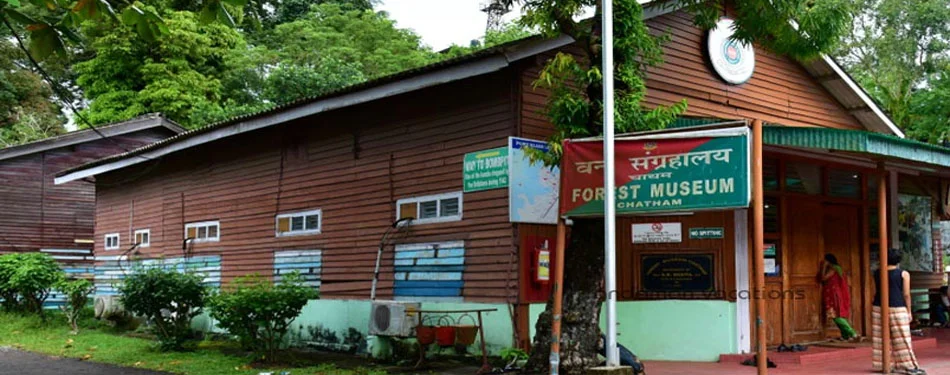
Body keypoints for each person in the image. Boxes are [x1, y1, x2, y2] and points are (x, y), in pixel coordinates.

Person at [872, 249, 926, 375]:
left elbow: (876, 290)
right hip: (897, 306)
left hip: (878, 306)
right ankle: (908, 365)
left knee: (880, 336)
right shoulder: (903, 274)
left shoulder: (877, 273)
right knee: (902, 337)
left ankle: (883, 364)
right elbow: (906, 294)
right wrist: (909, 311)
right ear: (898, 260)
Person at [818, 254, 858, 341]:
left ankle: (852, 332)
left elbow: (823, 278)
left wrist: (823, 267)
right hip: (833, 293)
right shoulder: (837, 268)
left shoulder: (833, 268)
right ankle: (845, 335)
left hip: (833, 295)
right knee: (836, 315)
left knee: (835, 315)